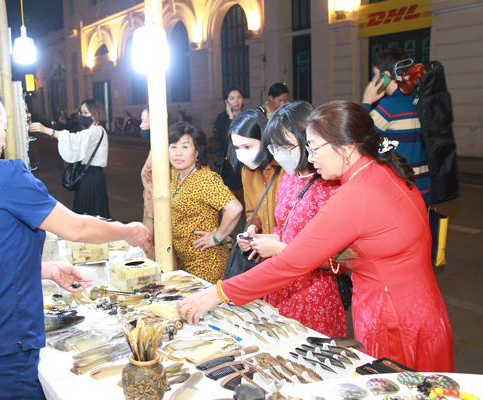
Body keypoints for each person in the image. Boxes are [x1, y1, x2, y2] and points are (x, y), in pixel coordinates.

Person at [0, 77, 152, 399]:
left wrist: (46, 270)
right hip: (3, 343)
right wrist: (129, 231)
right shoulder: (1, 175)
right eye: (3, 126)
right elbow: (77, 228)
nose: (4, 138)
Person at [178, 100, 454, 373]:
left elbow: (290, 263)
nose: (310, 158)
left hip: (393, 320)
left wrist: (217, 293)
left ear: (346, 147)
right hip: (422, 309)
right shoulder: (382, 172)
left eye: (314, 148)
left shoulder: (354, 195)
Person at [240, 101, 347, 338]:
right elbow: (286, 229)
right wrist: (259, 239)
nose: (279, 155)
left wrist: (279, 248)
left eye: (286, 147)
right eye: (274, 148)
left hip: (313, 295)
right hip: (280, 285)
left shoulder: (329, 185)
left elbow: (339, 260)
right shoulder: (289, 177)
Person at [169, 122, 243, 284]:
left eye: (185, 147)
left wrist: (218, 236)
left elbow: (234, 208)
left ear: (197, 151)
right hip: (185, 262)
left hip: (206, 264)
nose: (178, 153)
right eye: (173, 147)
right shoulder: (175, 173)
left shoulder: (205, 179)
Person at [362, 47, 432, 205]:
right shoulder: (419, 99)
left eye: (376, 75)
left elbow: (358, 134)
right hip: (424, 188)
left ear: (386, 76)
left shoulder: (389, 106)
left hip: (401, 190)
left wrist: (367, 102)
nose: (373, 80)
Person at [29, 99, 110, 218]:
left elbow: (73, 139)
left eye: (86, 113)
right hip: (92, 177)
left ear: (96, 114)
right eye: (81, 113)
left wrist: (45, 130)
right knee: (92, 214)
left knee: (88, 215)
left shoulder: (96, 131)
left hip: (91, 179)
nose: (82, 116)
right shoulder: (94, 130)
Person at [228, 109, 283, 241]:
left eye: (247, 147)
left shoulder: (284, 168)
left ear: (264, 140)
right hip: (263, 250)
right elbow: (252, 213)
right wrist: (251, 230)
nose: (241, 154)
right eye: (236, 148)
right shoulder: (246, 171)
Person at [213, 85, 244, 192]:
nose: (236, 101)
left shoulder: (247, 116)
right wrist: (231, 118)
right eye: (232, 98)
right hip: (228, 164)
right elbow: (224, 139)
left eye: (239, 97)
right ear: (226, 102)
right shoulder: (222, 118)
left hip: (244, 162)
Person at [139, 106, 155, 260]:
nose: (141, 125)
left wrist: (150, 220)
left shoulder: (160, 149)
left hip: (156, 211)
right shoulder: (154, 147)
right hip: (149, 207)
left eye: (144, 120)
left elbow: (158, 189)